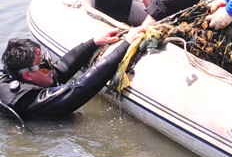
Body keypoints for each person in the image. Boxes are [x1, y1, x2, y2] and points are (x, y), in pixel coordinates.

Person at [0, 26, 145, 119]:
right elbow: (80, 88)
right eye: (42, 65)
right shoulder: (31, 101)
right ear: (27, 76)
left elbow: (60, 69)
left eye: (46, 59)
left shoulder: (25, 78)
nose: (50, 67)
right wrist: (126, 44)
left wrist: (94, 42)